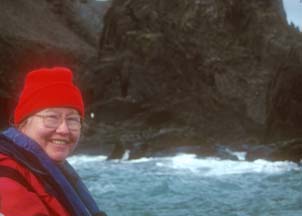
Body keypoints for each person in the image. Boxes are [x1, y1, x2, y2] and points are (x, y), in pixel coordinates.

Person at [0, 67, 107, 216]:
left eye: (72, 120)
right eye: (51, 118)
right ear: (23, 124)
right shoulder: (5, 178)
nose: (64, 130)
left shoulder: (37, 168)